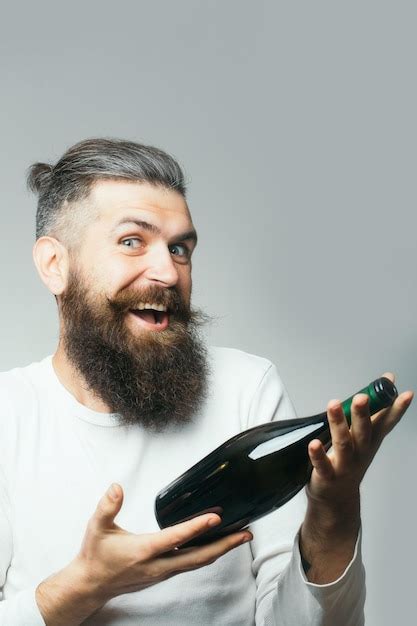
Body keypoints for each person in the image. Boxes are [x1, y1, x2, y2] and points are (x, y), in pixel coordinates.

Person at [0, 138, 412, 626]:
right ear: (55, 264)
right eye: (133, 242)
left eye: (180, 248)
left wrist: (334, 512)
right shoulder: (9, 416)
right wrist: (84, 585)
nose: (168, 272)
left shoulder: (246, 388)